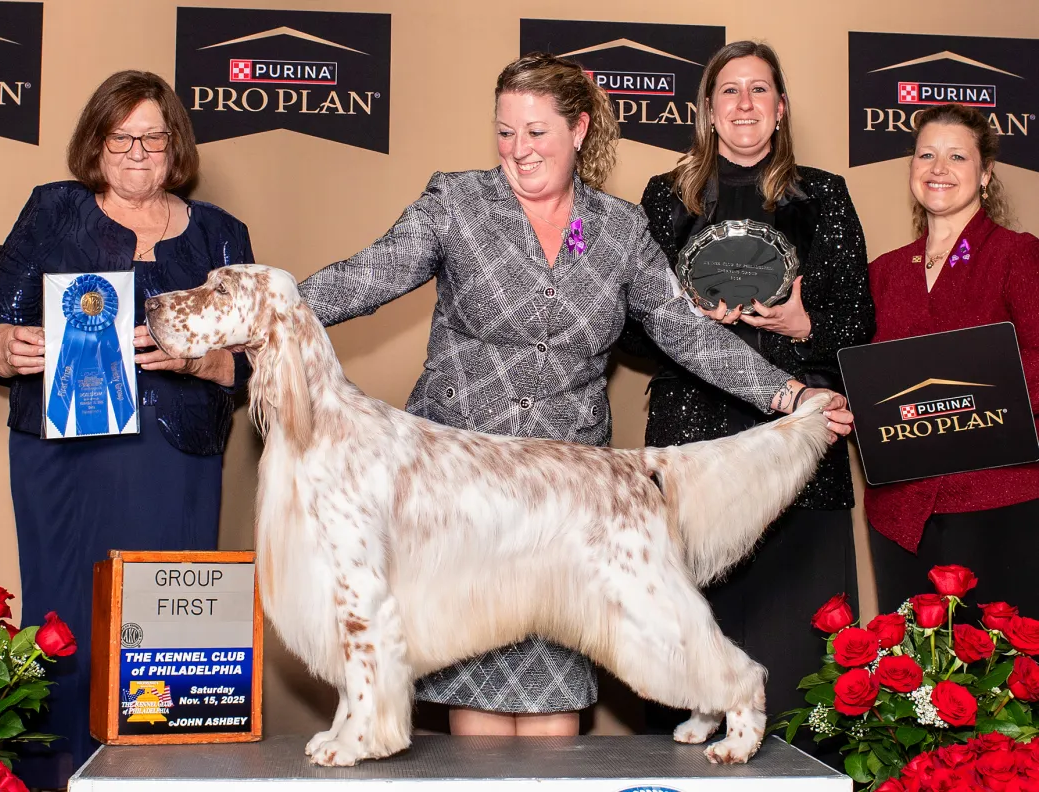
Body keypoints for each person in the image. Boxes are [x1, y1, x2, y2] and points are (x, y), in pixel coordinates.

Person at [297, 52, 853, 738]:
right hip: (467, 505)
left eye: (536, 133)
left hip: (572, 512)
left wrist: (789, 391)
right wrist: (263, 315)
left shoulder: (618, 229)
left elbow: (687, 331)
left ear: (579, 129)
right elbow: (363, 278)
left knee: (557, 736)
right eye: (506, 132)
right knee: (479, 738)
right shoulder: (457, 203)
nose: (518, 150)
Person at [0, 70, 252, 786]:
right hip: (63, 456)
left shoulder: (221, 234)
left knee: (169, 625)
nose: (135, 152)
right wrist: (6, 344)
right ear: (94, 144)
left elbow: (254, 368)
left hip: (176, 456)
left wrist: (209, 361)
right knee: (62, 617)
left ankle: (164, 779)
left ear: (175, 146)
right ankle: (53, 779)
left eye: (152, 138)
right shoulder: (52, 211)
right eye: (119, 137)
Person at [622, 40, 874, 750]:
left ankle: (807, 768)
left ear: (781, 107)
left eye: (759, 90)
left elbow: (859, 319)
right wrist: (684, 325)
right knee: (687, 618)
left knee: (798, 631)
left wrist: (803, 324)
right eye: (728, 92)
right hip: (691, 442)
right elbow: (629, 332)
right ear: (705, 111)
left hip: (798, 446)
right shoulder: (665, 198)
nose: (743, 104)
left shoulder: (824, 195)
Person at [866, 103, 1039, 616]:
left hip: (997, 502)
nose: (938, 169)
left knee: (1000, 680)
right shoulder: (885, 272)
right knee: (907, 682)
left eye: (957, 156)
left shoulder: (1016, 254)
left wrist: (962, 391)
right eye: (927, 155)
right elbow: (866, 378)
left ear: (985, 174)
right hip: (900, 514)